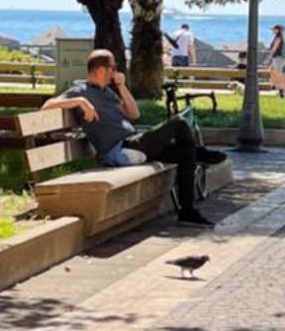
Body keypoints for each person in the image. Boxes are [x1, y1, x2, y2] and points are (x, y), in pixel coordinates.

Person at [45, 48, 219, 225]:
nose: (116, 71)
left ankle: (187, 212)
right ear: (100, 70)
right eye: (113, 67)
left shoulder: (107, 92)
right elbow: (47, 106)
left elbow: (134, 114)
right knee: (179, 123)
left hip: (134, 144)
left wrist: (121, 86)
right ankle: (200, 153)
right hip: (120, 150)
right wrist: (81, 102)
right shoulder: (80, 91)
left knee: (185, 154)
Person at [266, 23, 285, 92]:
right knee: (273, 70)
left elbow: (274, 49)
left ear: (278, 30)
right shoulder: (282, 38)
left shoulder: (278, 38)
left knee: (278, 73)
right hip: (280, 58)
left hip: (278, 58)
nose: (272, 31)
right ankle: (278, 87)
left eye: (274, 29)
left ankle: (281, 89)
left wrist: (269, 57)